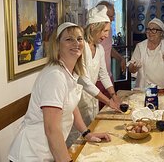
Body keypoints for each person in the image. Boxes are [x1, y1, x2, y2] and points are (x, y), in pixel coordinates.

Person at [8, 22, 111, 162]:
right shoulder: (55, 76)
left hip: (47, 153)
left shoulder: (71, 72)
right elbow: (52, 129)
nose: (76, 43)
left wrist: (87, 133)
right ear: (57, 45)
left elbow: (71, 105)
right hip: (32, 154)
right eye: (69, 39)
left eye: (79, 39)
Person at [78, 5, 122, 125]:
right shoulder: (80, 48)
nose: (107, 35)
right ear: (93, 27)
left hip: (92, 99)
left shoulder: (100, 49)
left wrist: (114, 95)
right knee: (77, 137)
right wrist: (108, 101)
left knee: (92, 129)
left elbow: (104, 74)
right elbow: (84, 80)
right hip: (78, 100)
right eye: (105, 31)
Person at [128, 18, 164, 91]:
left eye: (154, 30)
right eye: (148, 30)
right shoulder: (140, 46)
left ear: (162, 33)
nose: (150, 32)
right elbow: (131, 70)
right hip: (145, 90)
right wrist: (134, 67)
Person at [95, 0, 126, 109]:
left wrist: (120, 58)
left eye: (113, 16)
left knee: (110, 108)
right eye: (110, 16)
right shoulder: (87, 43)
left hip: (107, 78)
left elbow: (108, 48)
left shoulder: (108, 30)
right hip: (96, 82)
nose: (112, 19)